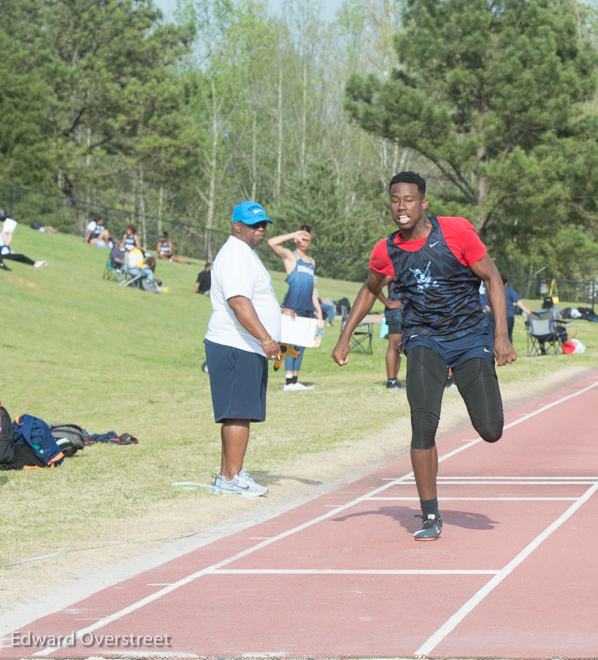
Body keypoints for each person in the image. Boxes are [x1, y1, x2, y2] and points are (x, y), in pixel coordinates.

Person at [333, 171, 515, 541]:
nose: (401, 207)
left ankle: (473, 389)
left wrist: (501, 335)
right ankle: (430, 515)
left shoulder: (457, 232)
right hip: (422, 338)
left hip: (467, 337)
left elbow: (493, 278)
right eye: (395, 201)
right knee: (422, 424)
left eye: (409, 200)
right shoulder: (387, 250)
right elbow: (370, 290)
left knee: (491, 430)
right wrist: (344, 336)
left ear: (424, 203)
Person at [203, 200, 281, 497]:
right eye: (253, 225)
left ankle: (228, 475)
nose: (259, 230)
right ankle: (233, 477)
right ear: (237, 226)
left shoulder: (244, 254)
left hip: (243, 345)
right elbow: (239, 302)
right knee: (238, 413)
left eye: (263, 225)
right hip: (237, 344)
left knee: (238, 413)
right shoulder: (235, 255)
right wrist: (265, 338)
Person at [268, 225, 321, 392]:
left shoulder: (312, 262)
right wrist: (293, 234)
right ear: (296, 239)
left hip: (307, 308)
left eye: (307, 239)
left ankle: (295, 380)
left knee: (301, 344)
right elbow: (272, 242)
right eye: (302, 238)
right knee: (290, 343)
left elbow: (312, 288)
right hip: (292, 307)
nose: (304, 242)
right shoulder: (291, 257)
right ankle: (288, 381)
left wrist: (318, 310)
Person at [378, 275, 405, 389]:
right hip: (395, 314)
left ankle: (395, 379)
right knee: (394, 344)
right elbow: (375, 287)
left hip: (406, 312)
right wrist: (388, 303)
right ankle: (391, 380)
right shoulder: (393, 270)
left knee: (400, 346)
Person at [501, 274, 532, 338]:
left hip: (496, 316)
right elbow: (517, 301)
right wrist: (525, 310)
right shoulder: (509, 290)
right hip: (508, 316)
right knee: (508, 336)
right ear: (506, 283)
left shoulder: (493, 291)